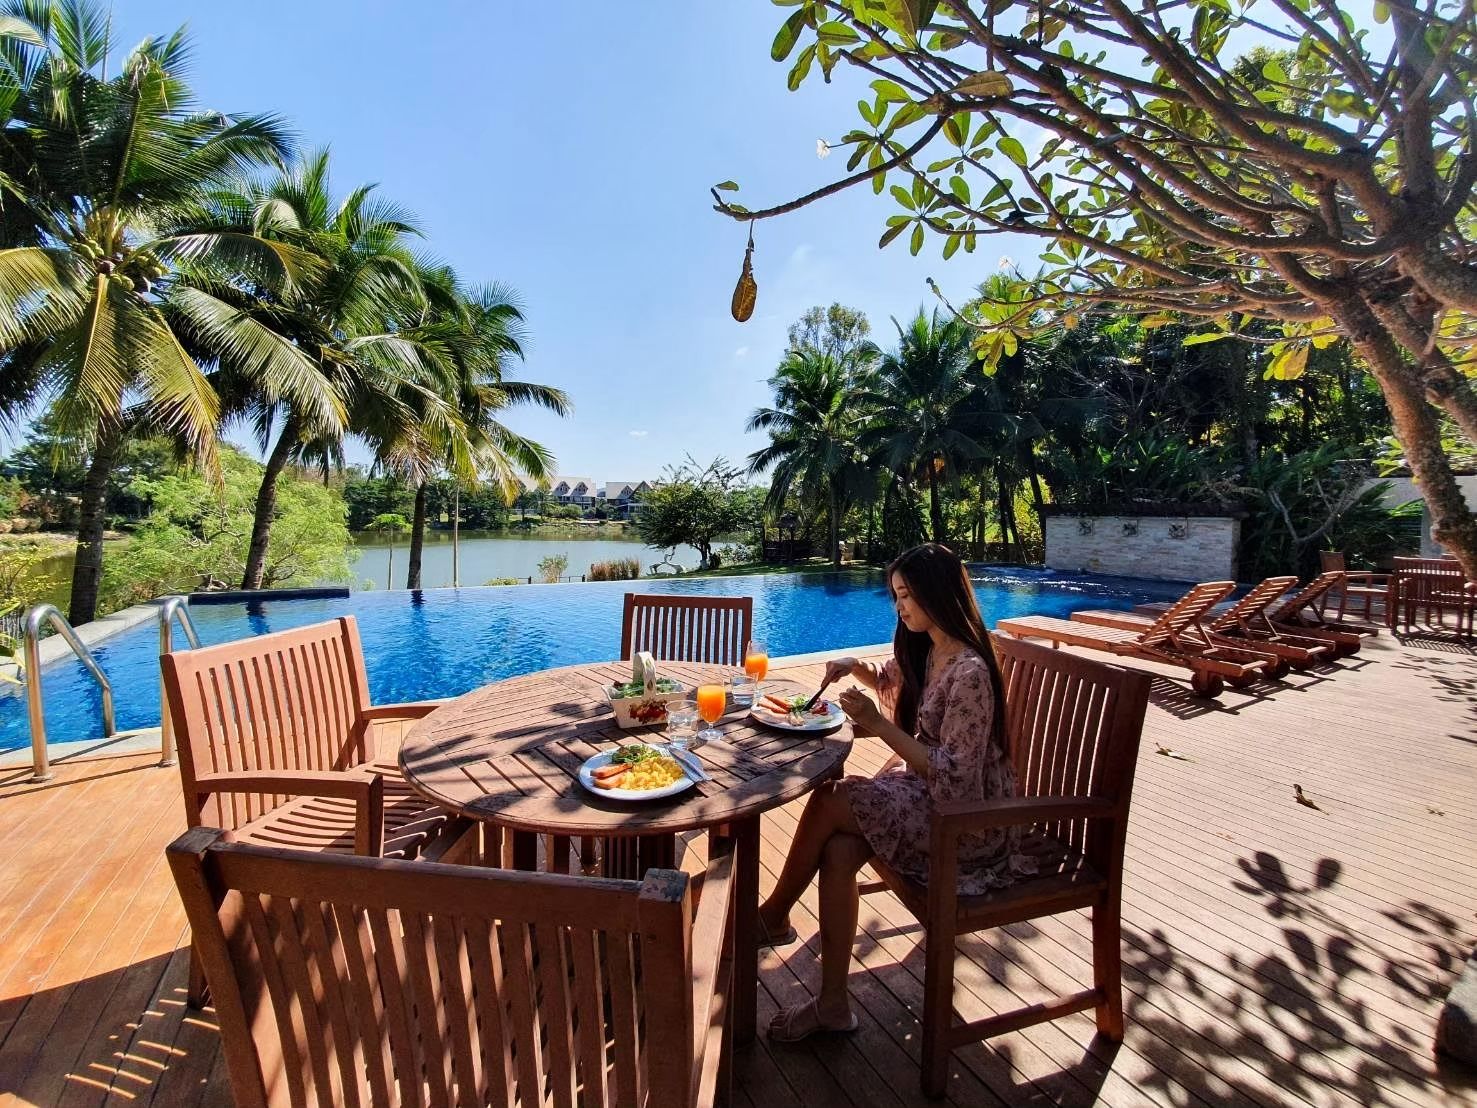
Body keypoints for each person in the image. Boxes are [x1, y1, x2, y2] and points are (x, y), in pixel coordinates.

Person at [758, 542, 1031, 1042]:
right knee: (840, 849)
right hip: (931, 796)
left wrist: (879, 727)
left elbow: (955, 780)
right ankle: (833, 1003)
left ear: (937, 594)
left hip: (969, 824)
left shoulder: (969, 672)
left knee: (832, 797)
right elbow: (890, 682)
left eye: (906, 595)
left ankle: (773, 915)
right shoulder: (929, 647)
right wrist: (852, 666)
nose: (899, 606)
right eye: (895, 596)